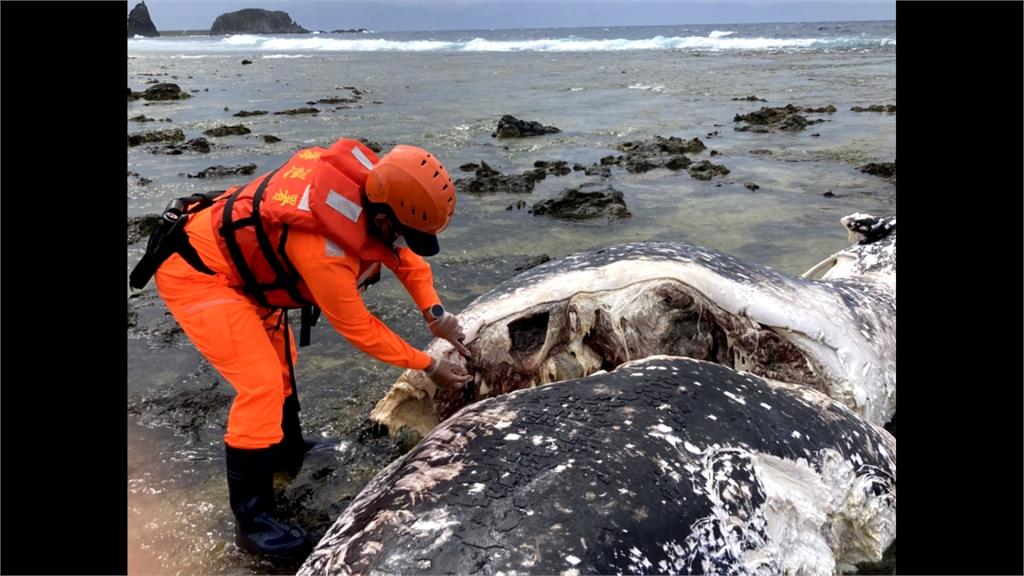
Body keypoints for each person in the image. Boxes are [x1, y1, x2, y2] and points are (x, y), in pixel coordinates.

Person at [129, 138, 473, 562]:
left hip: (249, 275)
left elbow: (407, 260)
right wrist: (429, 364)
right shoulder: (323, 250)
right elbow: (360, 329)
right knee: (260, 384)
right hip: (199, 272)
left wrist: (436, 315)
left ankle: (286, 451)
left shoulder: (378, 201)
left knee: (282, 361)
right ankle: (253, 523)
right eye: (404, 231)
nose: (404, 241)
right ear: (384, 217)